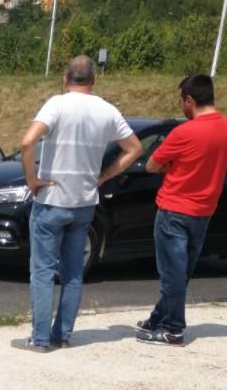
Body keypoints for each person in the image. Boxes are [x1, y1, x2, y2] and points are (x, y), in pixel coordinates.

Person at [11, 55, 142, 352]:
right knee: (73, 271)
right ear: (94, 79)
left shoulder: (56, 104)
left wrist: (32, 180)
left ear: (64, 78)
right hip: (84, 202)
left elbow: (27, 142)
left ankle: (40, 338)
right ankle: (63, 334)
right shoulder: (107, 110)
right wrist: (105, 175)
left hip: (52, 199)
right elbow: (134, 149)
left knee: (43, 271)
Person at [136, 74, 227, 347]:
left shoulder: (184, 132)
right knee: (181, 271)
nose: (181, 107)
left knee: (172, 274)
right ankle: (158, 318)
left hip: (174, 209)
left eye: (181, 101)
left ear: (190, 100)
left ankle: (173, 329)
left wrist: (170, 166)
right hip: (204, 210)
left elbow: (151, 165)